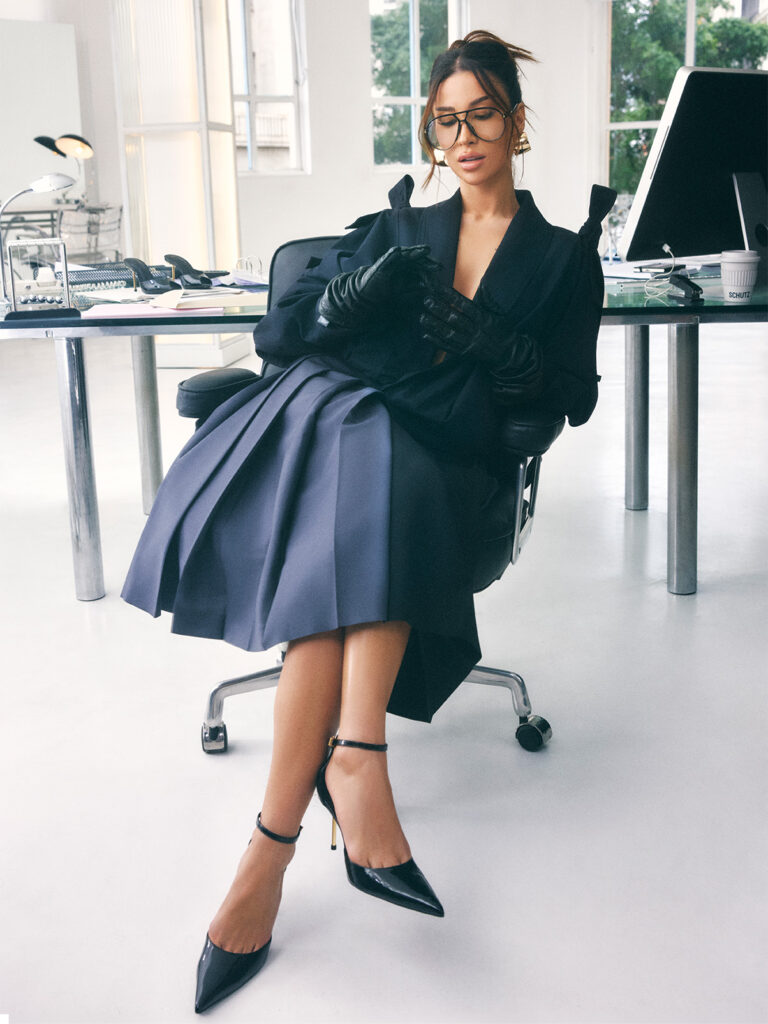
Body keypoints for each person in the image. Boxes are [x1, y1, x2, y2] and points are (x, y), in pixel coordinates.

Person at [122, 30, 615, 1013]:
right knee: (371, 468)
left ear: (517, 122)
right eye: (446, 120)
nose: (464, 137)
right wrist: (346, 297)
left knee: (353, 546)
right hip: (337, 421)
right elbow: (279, 337)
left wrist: (502, 349)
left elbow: (573, 395)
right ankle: (353, 763)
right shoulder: (399, 226)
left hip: (445, 458)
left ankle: (268, 857)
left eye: (483, 115)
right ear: (431, 132)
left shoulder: (563, 258)